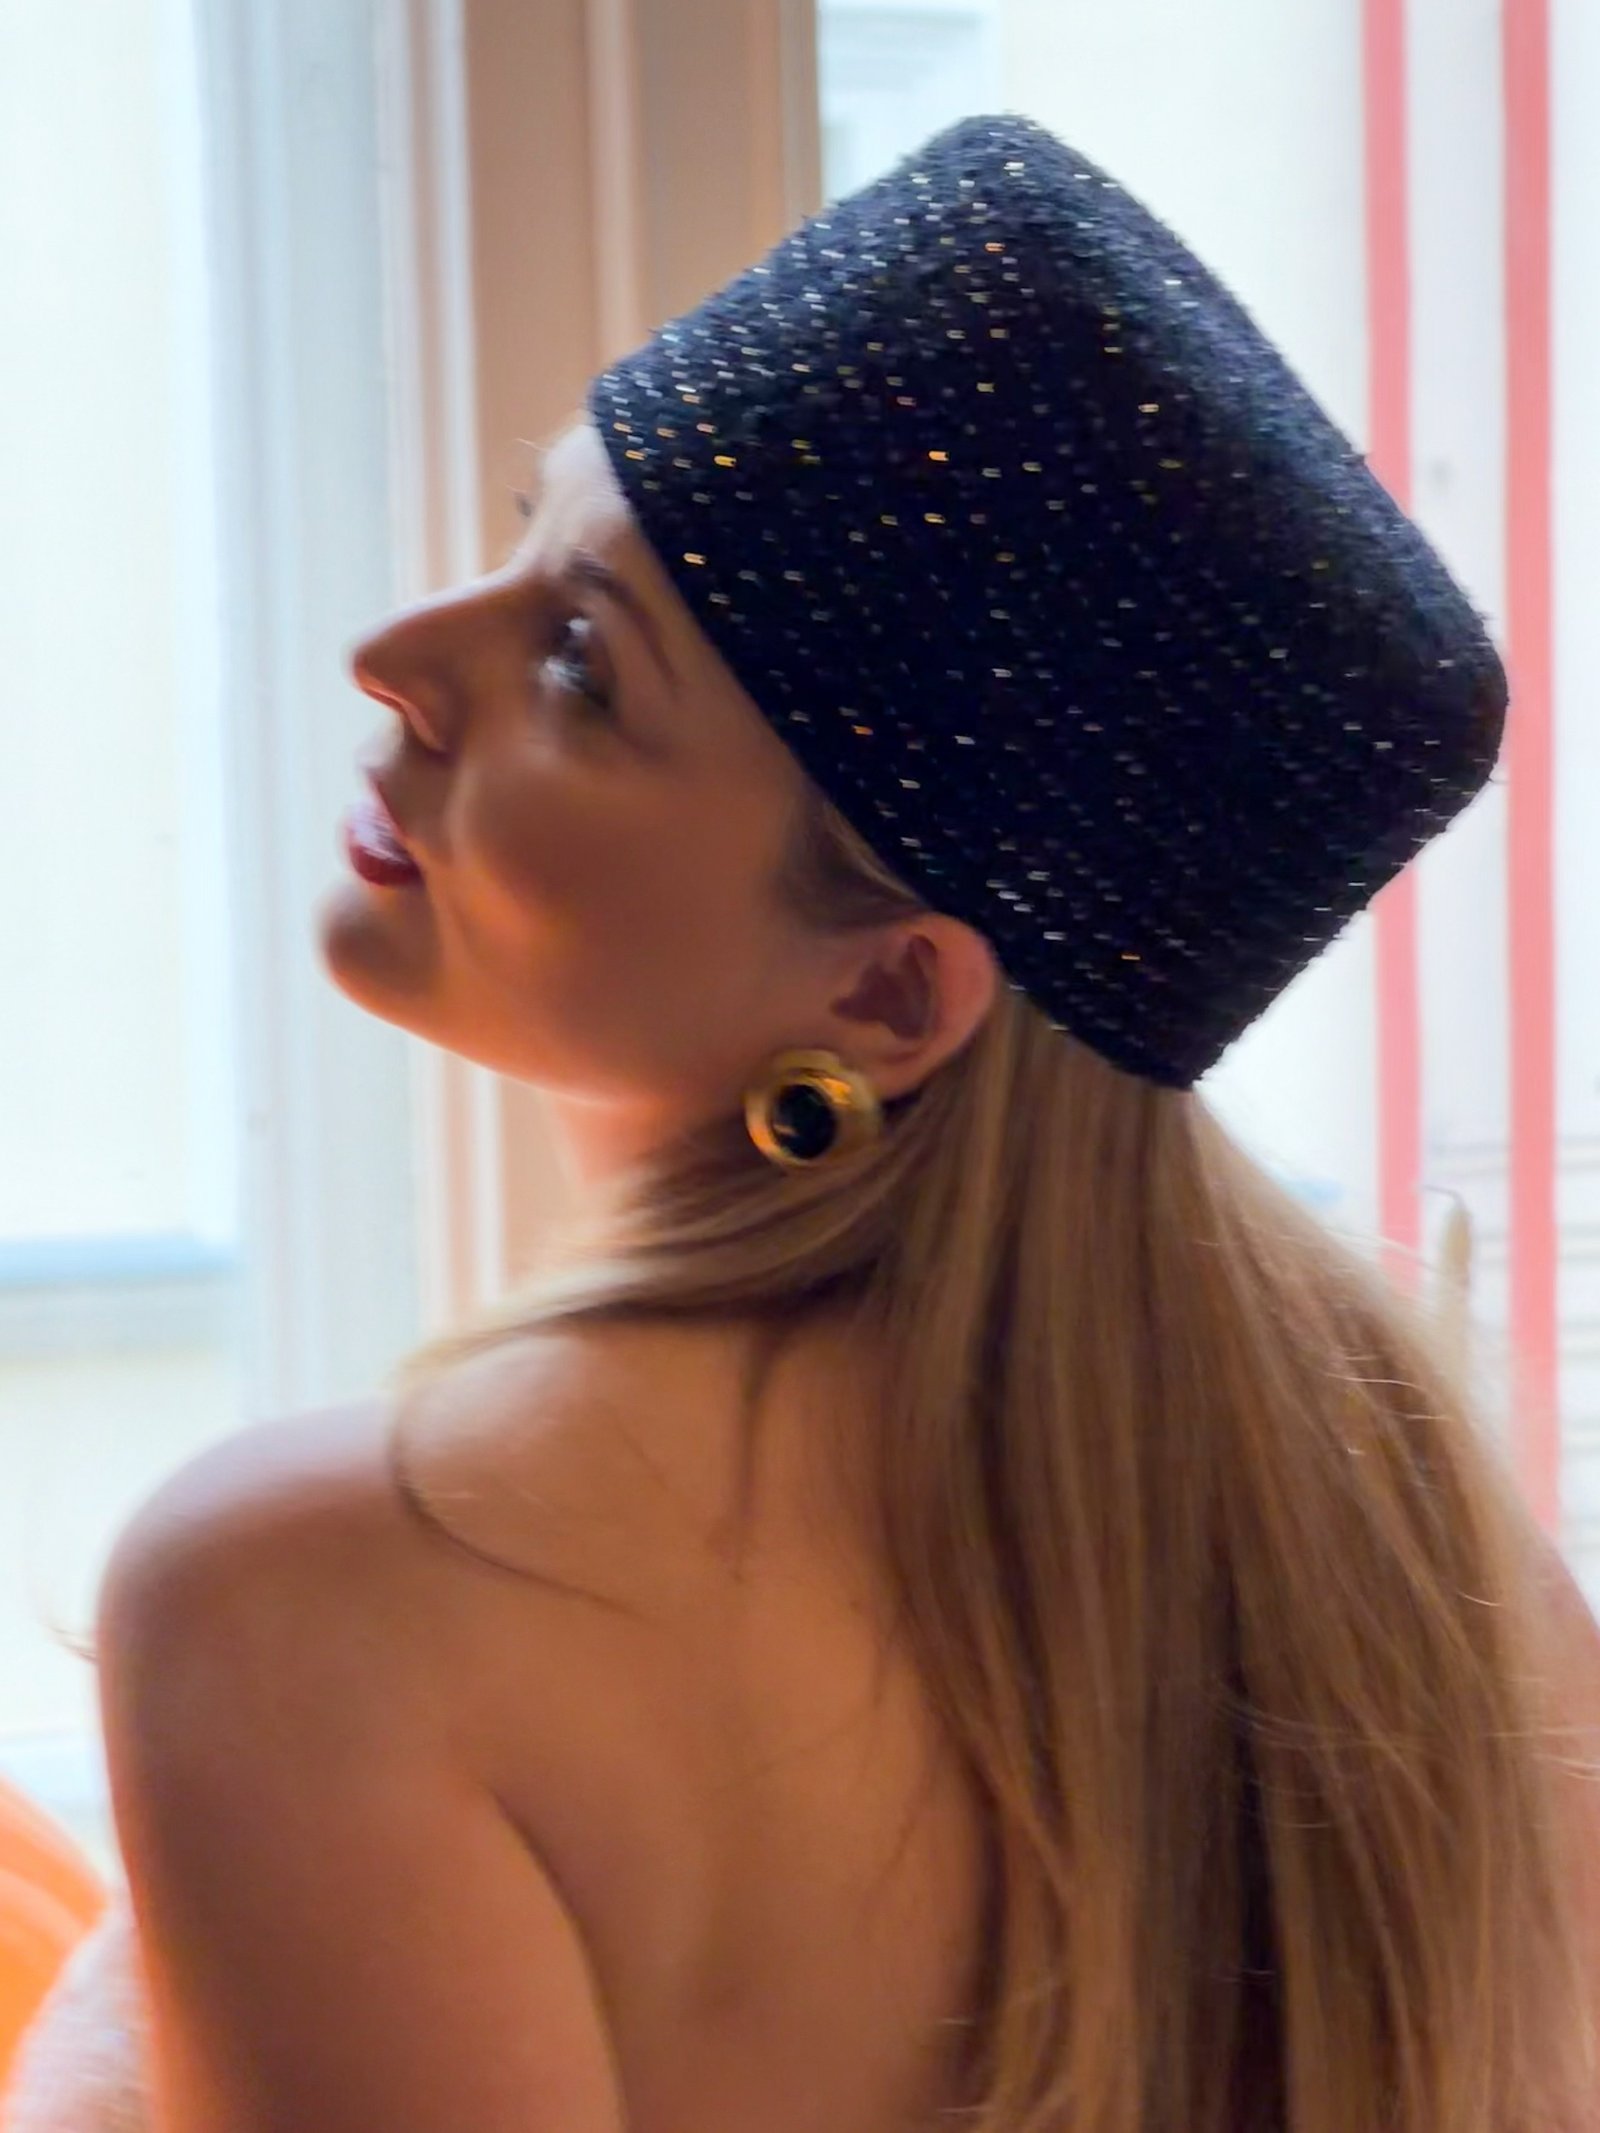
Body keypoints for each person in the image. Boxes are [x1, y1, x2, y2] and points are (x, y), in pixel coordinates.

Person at [7, 110, 1600, 2133]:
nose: (399, 657)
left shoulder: (320, 1603)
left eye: (582, 665)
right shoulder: (1455, 1605)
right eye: (523, 528)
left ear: (889, 994)